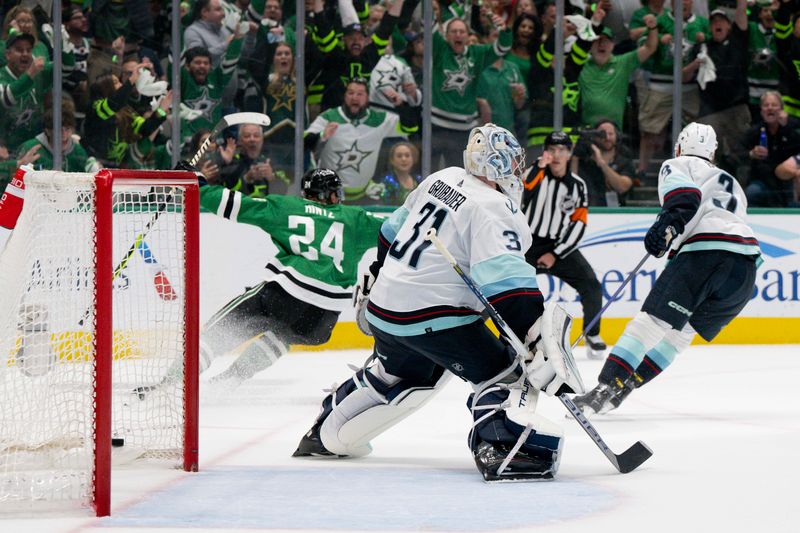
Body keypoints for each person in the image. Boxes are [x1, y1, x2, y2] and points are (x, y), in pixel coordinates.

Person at [293, 124, 583, 482]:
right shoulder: (495, 207)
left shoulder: (441, 178)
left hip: (384, 309)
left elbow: (389, 233)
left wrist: (380, 276)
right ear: (500, 163)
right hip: (432, 317)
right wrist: (533, 340)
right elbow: (510, 290)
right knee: (507, 374)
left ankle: (325, 432)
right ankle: (504, 450)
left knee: (398, 374)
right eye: (513, 161)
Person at [573, 123, 761, 414]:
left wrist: (667, 225)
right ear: (712, 154)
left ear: (678, 147)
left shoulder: (677, 163)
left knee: (651, 322)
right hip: (745, 268)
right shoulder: (732, 181)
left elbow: (685, 198)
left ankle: (605, 389)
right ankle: (625, 388)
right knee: (681, 334)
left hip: (705, 255)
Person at [193, 167, 385, 389]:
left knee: (218, 333)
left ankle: (174, 379)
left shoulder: (289, 207)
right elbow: (400, 228)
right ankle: (233, 377)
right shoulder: (357, 219)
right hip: (324, 319)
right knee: (284, 334)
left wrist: (199, 185)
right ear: (332, 195)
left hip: (284, 296)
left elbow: (236, 204)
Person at [520, 131, 607, 359]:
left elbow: (578, 224)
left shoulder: (577, 186)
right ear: (545, 152)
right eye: (552, 149)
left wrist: (555, 253)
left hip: (558, 247)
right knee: (509, 287)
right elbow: (525, 187)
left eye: (562, 150)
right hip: (526, 244)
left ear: (569, 153)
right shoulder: (534, 171)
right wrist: (540, 165)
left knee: (591, 285)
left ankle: (592, 333)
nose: (556, 155)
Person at [304, 78, 409, 203]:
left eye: (360, 94)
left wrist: (401, 105)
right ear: (344, 95)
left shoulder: (379, 119)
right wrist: (322, 135)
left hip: (364, 196)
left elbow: (410, 127)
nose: (355, 97)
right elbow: (304, 143)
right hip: (330, 195)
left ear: (367, 97)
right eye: (350, 93)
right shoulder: (329, 117)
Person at [572, 119, 636, 206]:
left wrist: (602, 164)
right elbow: (572, 183)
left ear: (617, 136)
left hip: (615, 213)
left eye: (610, 134)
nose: (607, 138)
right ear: (595, 136)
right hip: (588, 209)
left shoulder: (625, 161)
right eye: (602, 134)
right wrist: (575, 155)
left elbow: (622, 187)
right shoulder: (585, 160)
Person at [365, 140, 421, 205]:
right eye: (399, 156)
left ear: (413, 158)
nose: (403, 159)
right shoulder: (383, 183)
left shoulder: (419, 181)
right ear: (392, 160)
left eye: (407, 155)